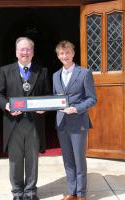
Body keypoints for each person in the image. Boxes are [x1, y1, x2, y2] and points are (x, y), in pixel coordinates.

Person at [0, 37, 50, 200]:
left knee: (32, 158)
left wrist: (44, 106)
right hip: (13, 122)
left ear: (32, 52)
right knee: (15, 159)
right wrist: (7, 106)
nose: (25, 52)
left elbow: (47, 94)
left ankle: (31, 191)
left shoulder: (42, 71)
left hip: (34, 122)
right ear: (16, 52)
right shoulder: (5, 70)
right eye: (22, 49)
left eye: (28, 49)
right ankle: (18, 192)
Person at [53, 40, 97, 200]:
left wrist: (76, 108)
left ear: (73, 53)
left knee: (79, 159)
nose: (65, 56)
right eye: (61, 53)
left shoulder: (84, 73)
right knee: (68, 160)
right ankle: (72, 192)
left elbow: (92, 99)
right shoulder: (55, 75)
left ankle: (81, 194)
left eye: (67, 52)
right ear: (58, 56)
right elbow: (55, 99)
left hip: (78, 122)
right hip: (61, 123)